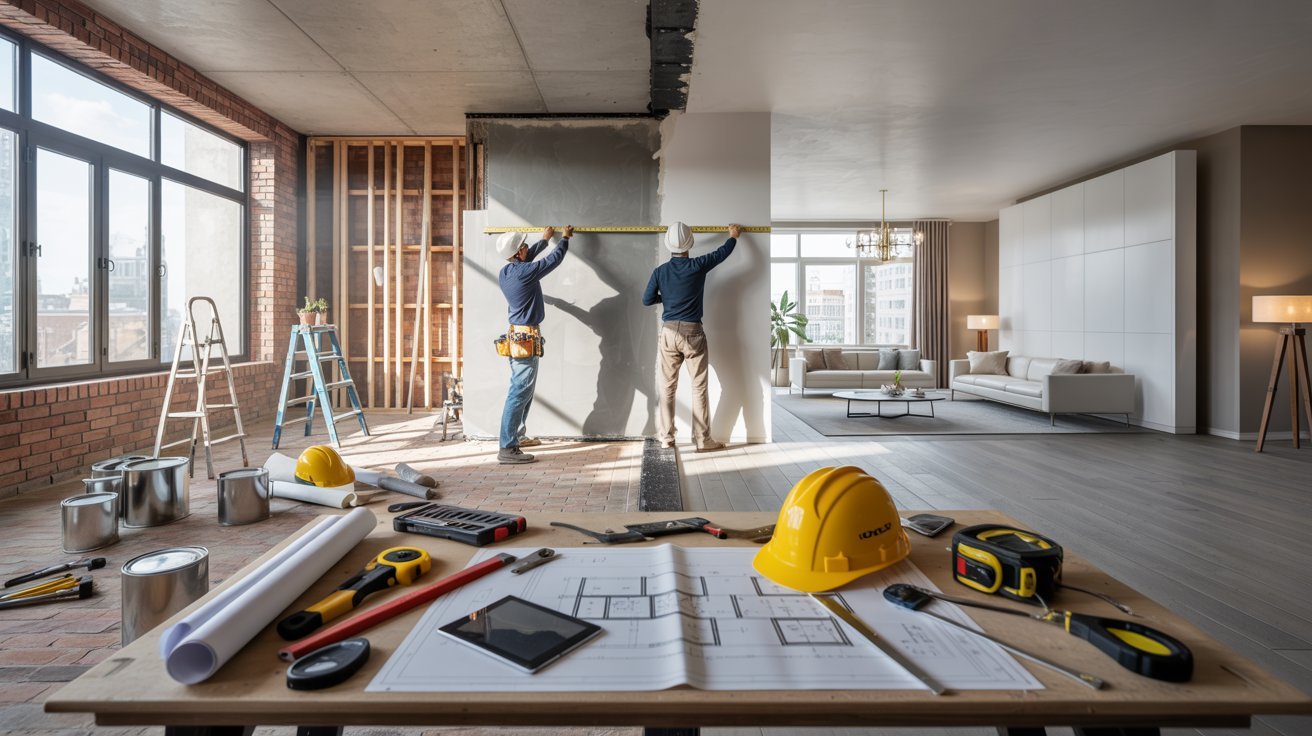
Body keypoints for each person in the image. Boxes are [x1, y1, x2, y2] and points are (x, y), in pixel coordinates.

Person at [642, 222, 740, 451]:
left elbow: (646, 300)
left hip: (668, 332)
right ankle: (703, 440)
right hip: (693, 332)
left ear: (669, 246)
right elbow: (721, 253)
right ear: (689, 244)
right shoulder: (698, 265)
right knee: (699, 387)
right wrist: (733, 236)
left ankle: (666, 438)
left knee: (667, 388)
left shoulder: (660, 272)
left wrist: (666, 299)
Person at [495, 225, 573, 464]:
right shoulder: (524, 272)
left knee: (524, 392)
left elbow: (527, 259)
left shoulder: (506, 271)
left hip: (521, 336)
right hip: (525, 339)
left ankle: (518, 436)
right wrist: (564, 239)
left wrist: (543, 240)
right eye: (524, 247)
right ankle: (507, 448)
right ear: (518, 253)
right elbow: (553, 260)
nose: (527, 249)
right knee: (518, 393)